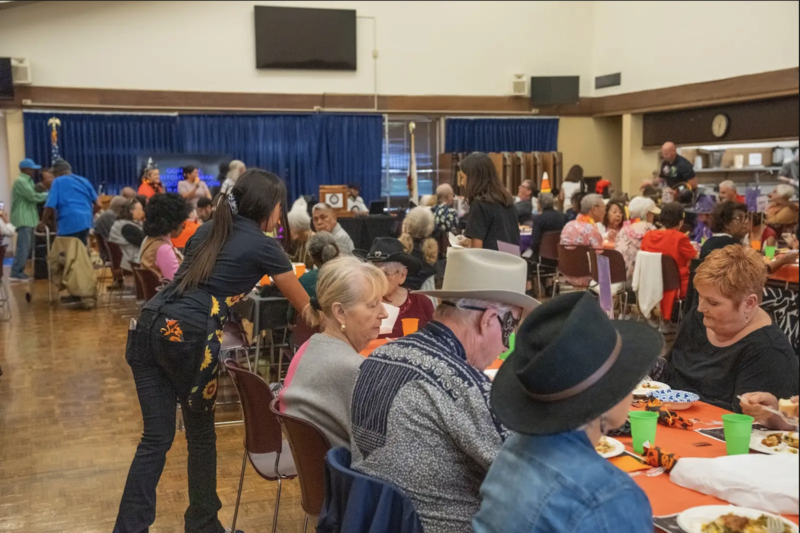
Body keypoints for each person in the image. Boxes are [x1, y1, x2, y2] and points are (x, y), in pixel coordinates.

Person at [114, 169, 310, 533]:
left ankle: (129, 528)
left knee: (155, 439)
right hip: (187, 336)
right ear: (268, 207)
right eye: (280, 207)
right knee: (200, 436)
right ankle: (203, 525)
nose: (281, 216)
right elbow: (306, 308)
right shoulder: (265, 245)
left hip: (147, 325)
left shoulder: (207, 230)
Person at [350, 249, 538, 533]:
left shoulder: (376, 356)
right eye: (510, 329)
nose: (506, 345)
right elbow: (532, 476)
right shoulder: (464, 386)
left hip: (374, 521)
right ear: (487, 320)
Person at [474, 292, 661, 533]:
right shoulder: (607, 496)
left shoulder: (512, 451)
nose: (632, 389)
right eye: (626, 375)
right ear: (606, 396)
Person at [656, 246, 798, 412]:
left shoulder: (768, 352)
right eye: (700, 296)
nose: (701, 308)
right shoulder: (698, 318)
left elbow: (748, 424)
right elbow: (669, 371)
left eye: (713, 302)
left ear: (749, 303)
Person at [280, 256, 388, 448]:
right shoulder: (354, 369)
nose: (384, 313)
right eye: (372, 305)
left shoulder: (309, 348)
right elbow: (381, 448)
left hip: (318, 469)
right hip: (342, 473)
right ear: (340, 312)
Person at [357, 237, 434, 339]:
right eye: (373, 273)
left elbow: (435, 340)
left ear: (402, 276)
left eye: (385, 273)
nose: (378, 279)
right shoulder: (361, 302)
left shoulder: (421, 303)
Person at [641, 202, 698, 321]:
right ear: (681, 221)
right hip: (676, 285)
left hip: (652, 283)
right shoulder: (680, 238)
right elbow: (695, 257)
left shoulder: (648, 236)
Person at [459, 152, 519, 250]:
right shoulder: (507, 201)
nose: (461, 183)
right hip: (511, 262)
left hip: (490, 263)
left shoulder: (479, 205)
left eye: (462, 177)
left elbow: (476, 251)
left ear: (473, 178)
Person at [40, 159, 99, 246]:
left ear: (58, 172)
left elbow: (50, 206)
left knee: (67, 253)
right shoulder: (84, 181)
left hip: (68, 221)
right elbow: (99, 204)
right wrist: (87, 214)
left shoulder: (58, 181)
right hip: (85, 222)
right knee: (80, 250)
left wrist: (43, 223)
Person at [10, 158, 48, 282]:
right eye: (32, 169)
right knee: (23, 247)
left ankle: (18, 271)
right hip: (23, 218)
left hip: (29, 218)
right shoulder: (21, 181)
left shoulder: (28, 181)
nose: (34, 171)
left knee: (26, 247)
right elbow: (32, 197)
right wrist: (50, 194)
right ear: (25, 169)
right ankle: (16, 272)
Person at [139, 194, 190, 281]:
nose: (182, 227)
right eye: (182, 223)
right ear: (173, 222)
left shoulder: (150, 241)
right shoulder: (163, 249)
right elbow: (177, 282)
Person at [559, 194, 605, 288]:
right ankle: (608, 302)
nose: (605, 212)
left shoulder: (568, 225)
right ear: (594, 209)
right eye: (604, 208)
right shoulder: (591, 230)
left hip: (566, 273)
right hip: (586, 276)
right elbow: (600, 257)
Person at [615, 196, 659, 280]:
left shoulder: (623, 229)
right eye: (652, 213)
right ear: (647, 214)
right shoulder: (650, 229)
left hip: (620, 276)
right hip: (641, 278)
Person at [399, 206, 439, 291]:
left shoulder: (398, 248)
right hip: (425, 296)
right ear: (430, 228)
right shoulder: (430, 252)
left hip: (401, 295)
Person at [298, 231, 340, 299]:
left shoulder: (305, 280)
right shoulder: (354, 274)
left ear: (313, 259)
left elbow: (295, 309)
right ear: (337, 250)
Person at [108, 198, 145, 272]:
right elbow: (145, 242)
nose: (143, 212)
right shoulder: (127, 227)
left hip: (125, 259)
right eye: (141, 209)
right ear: (132, 211)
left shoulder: (121, 222)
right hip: (131, 263)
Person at [528, 192, 566, 262]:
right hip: (561, 255)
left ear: (540, 204)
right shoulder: (563, 216)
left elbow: (534, 243)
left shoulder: (539, 219)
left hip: (543, 256)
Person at [288, 199, 314, 268]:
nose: (289, 231)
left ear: (299, 227)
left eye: (291, 228)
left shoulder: (315, 240)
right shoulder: (300, 241)